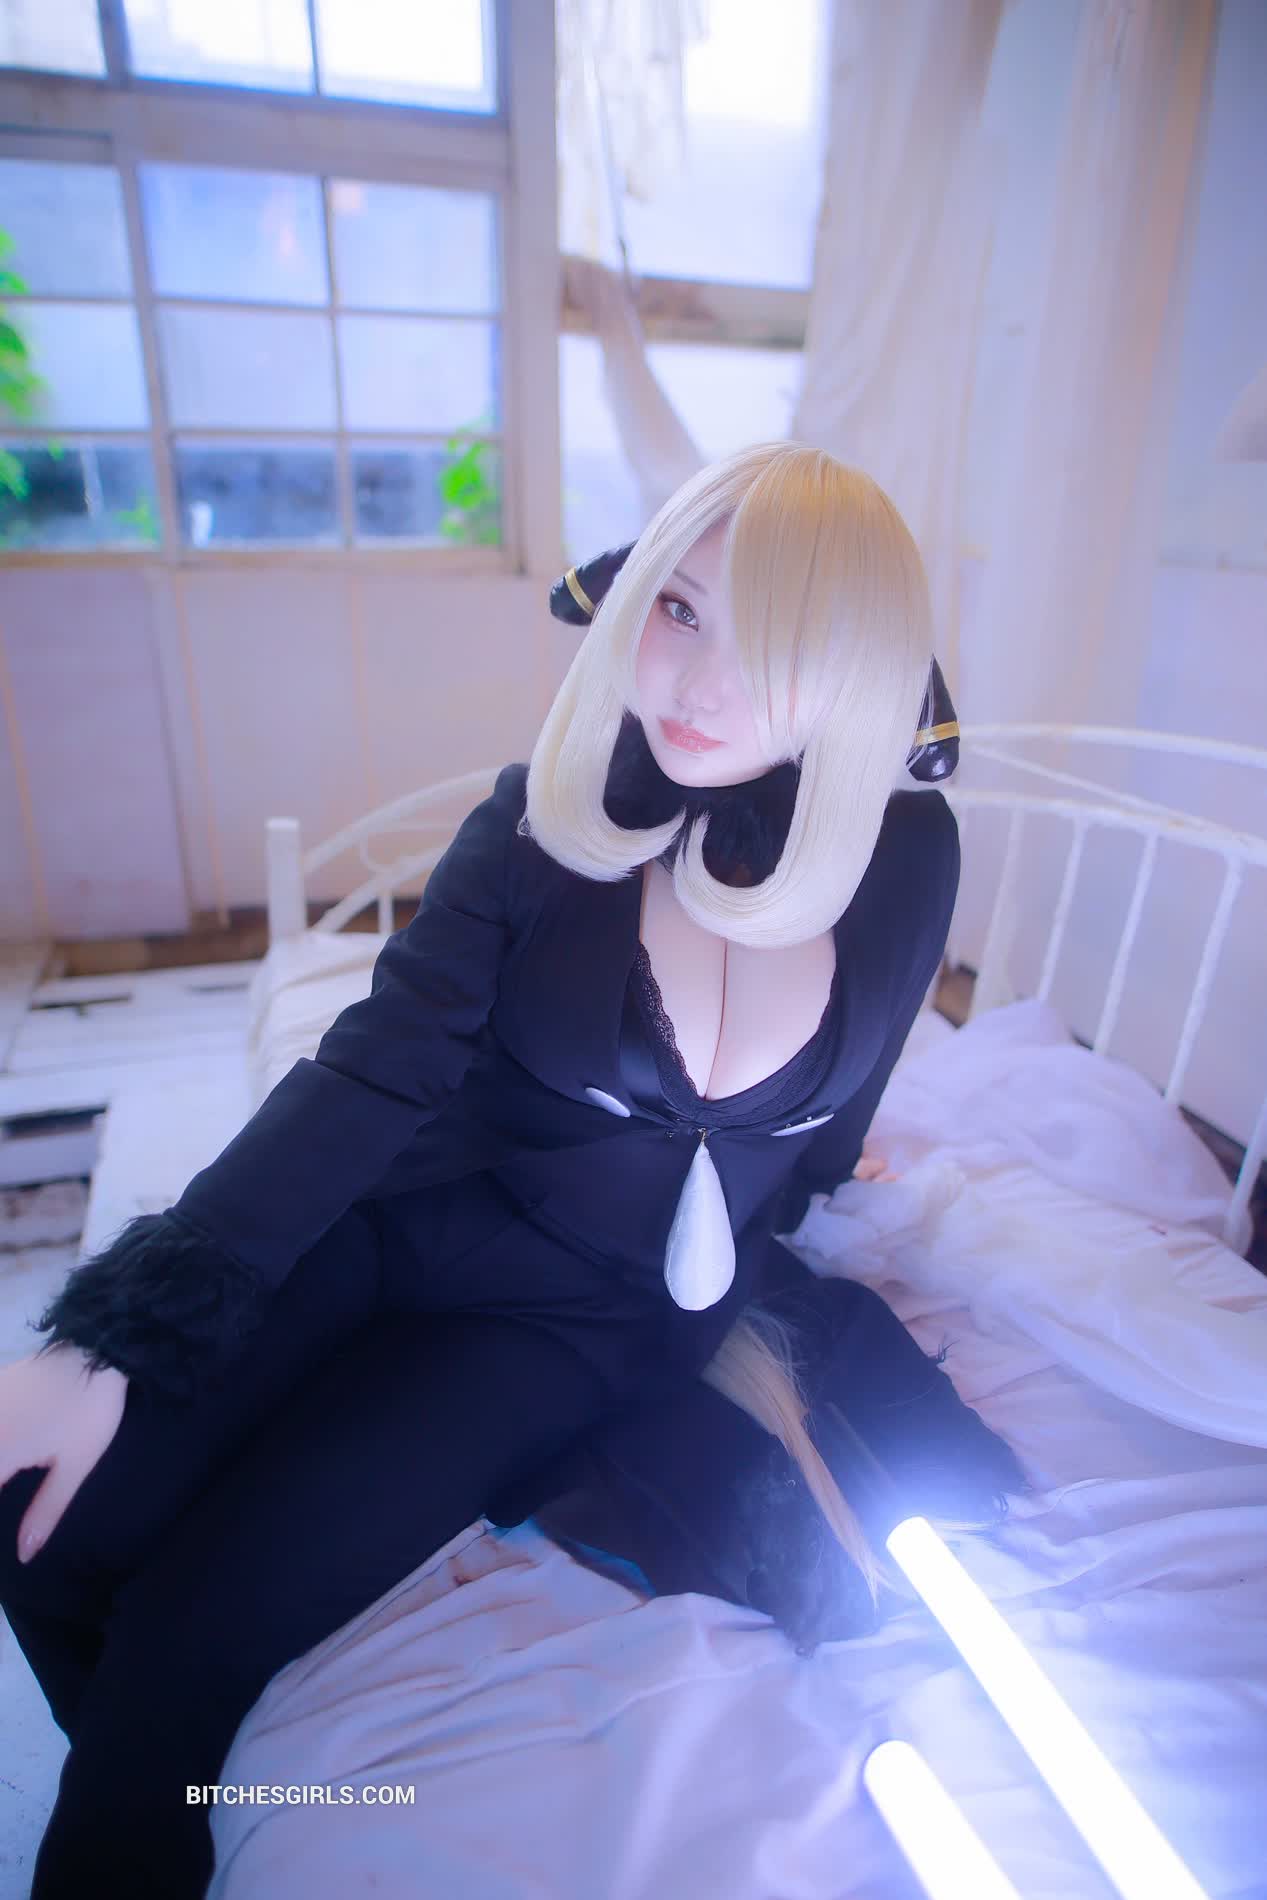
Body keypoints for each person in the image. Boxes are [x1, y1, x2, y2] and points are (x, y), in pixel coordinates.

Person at [0, 442, 1022, 1897]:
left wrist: (793, 1217)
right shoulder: (547, 816)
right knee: (35, 1525)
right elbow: (374, 1070)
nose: (697, 685)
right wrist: (118, 1333)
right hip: (397, 1211)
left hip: (567, 1319)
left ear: (854, 668)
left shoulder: (907, 857)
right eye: (677, 610)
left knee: (189, 1641)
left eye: (773, 643)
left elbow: (842, 1102)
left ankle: (158, 1796)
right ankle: (169, 1792)